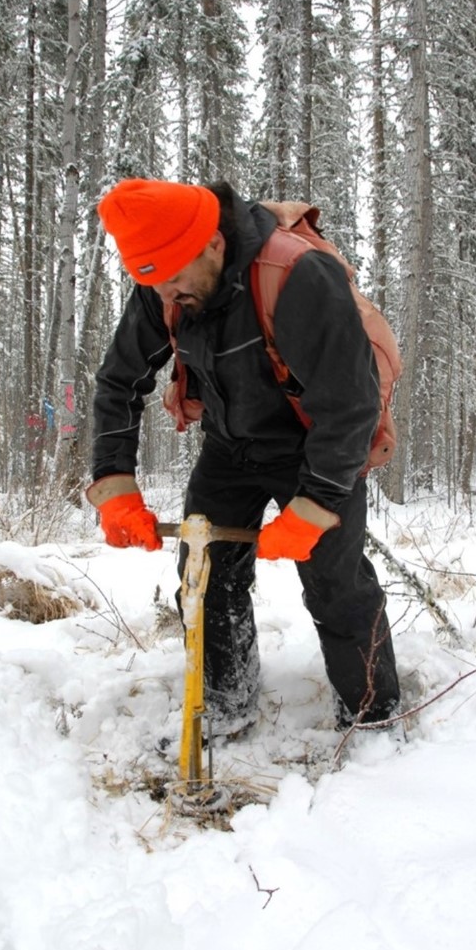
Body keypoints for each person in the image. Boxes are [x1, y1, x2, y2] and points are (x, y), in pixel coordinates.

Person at [87, 177, 401, 738]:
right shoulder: (163, 280)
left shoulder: (297, 275)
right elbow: (118, 381)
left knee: (336, 584)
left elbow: (350, 404)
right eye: (153, 286)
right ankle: (226, 702)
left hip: (314, 443)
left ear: (212, 244)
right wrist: (114, 484)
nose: (167, 299)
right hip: (230, 445)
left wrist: (316, 504)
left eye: (176, 283)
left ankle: (373, 717)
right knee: (204, 576)